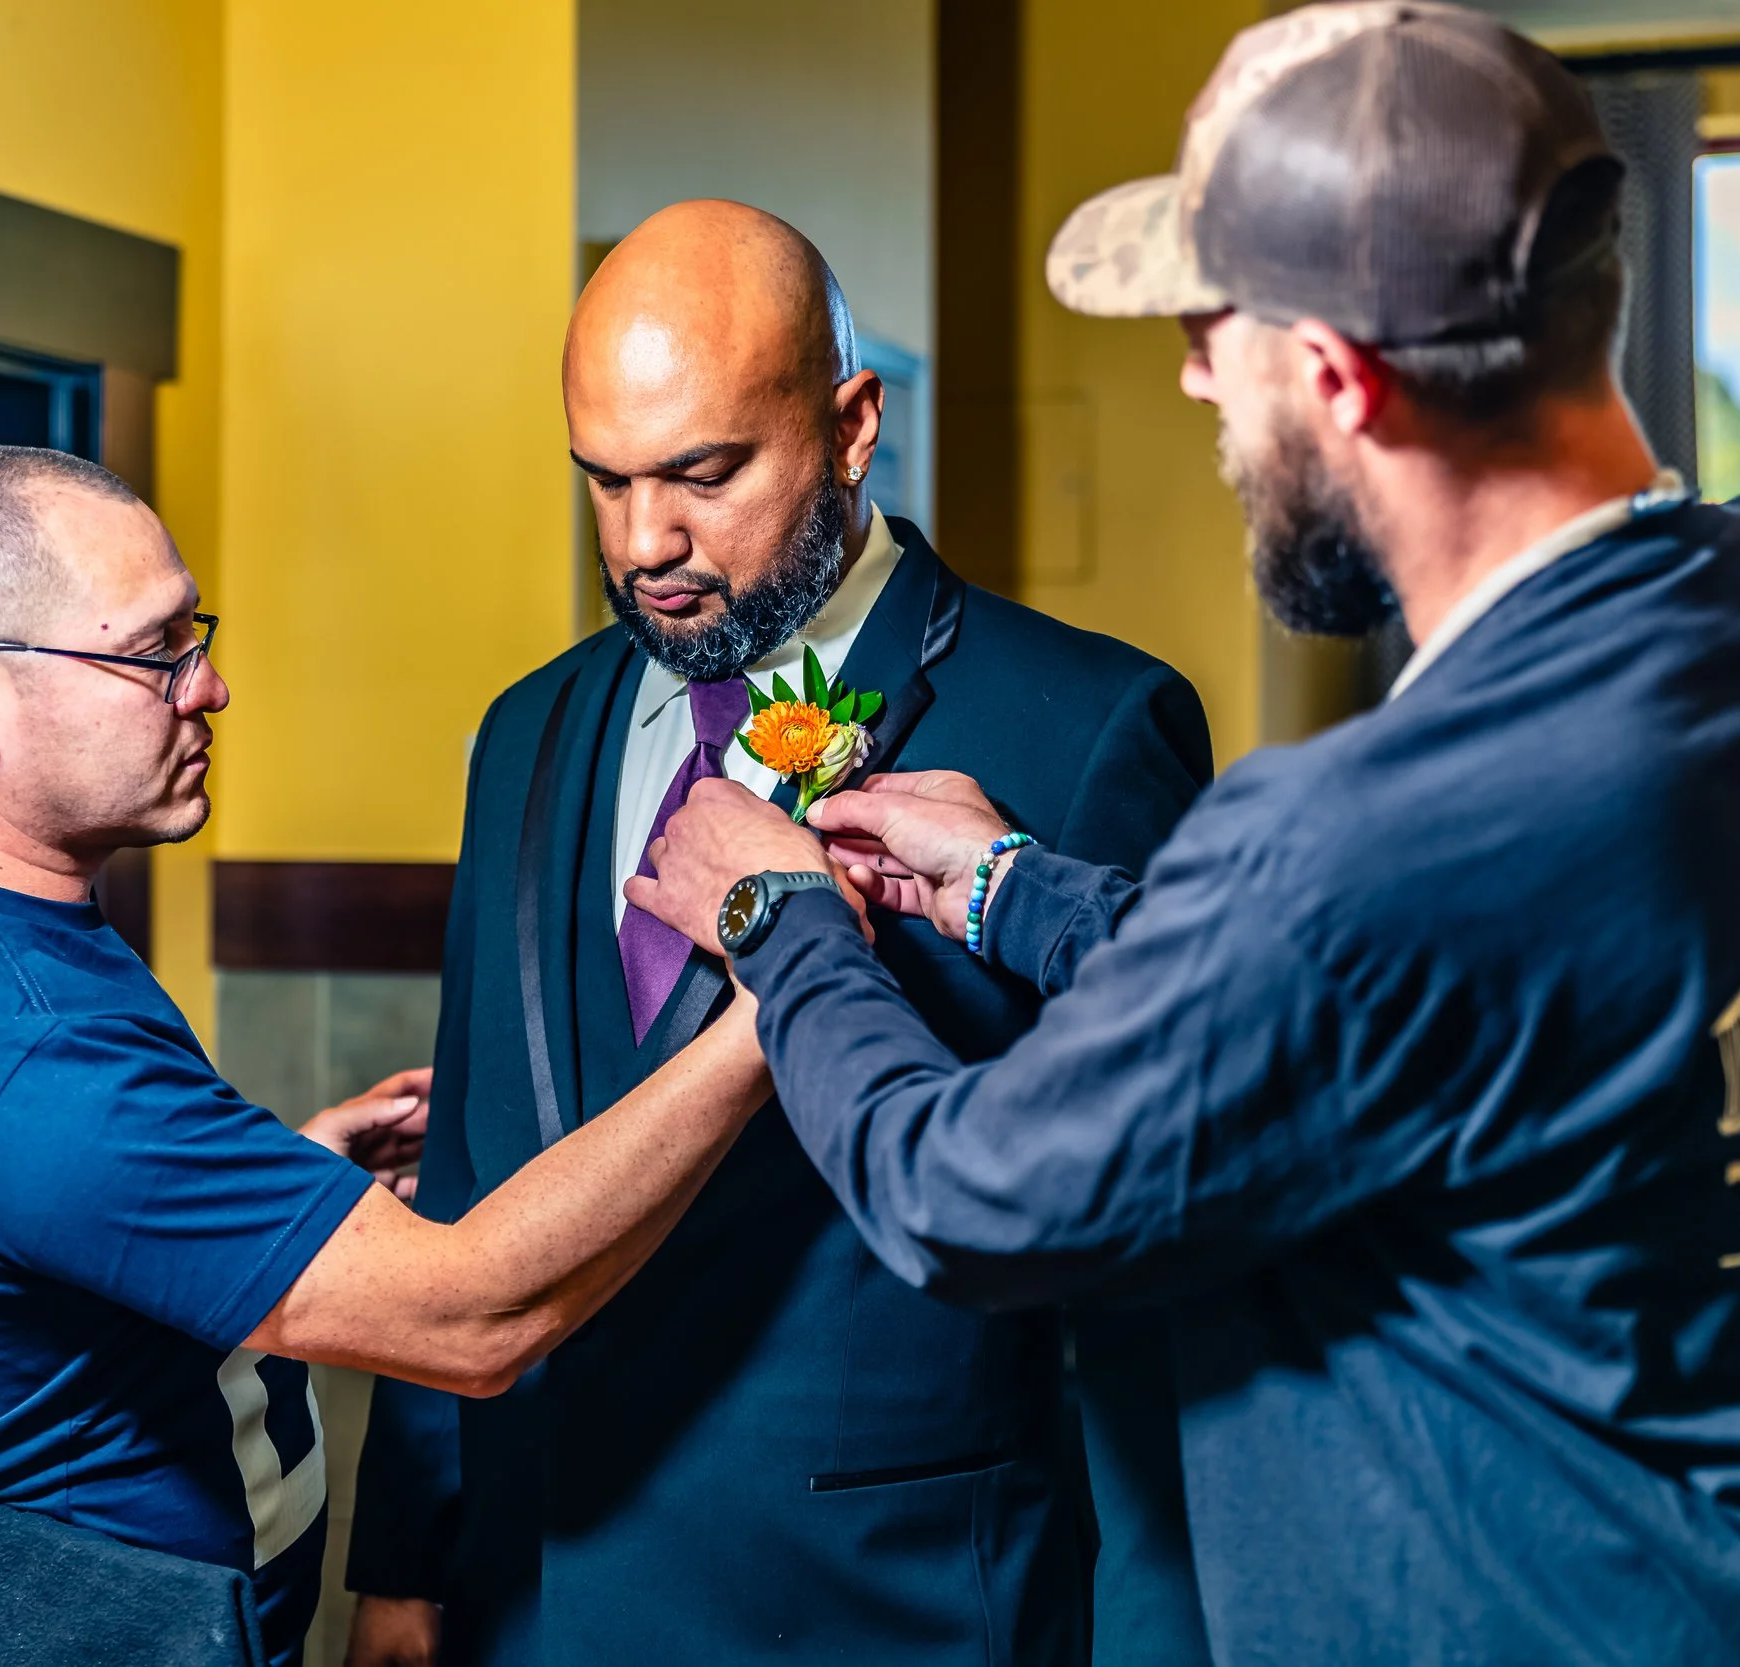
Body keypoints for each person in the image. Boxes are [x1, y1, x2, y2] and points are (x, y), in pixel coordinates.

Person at [630, 6, 1740, 1664]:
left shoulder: (1361, 836)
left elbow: (970, 1194)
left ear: (1342, 381)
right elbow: (1417, 985)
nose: (1197, 373)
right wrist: (1006, 887)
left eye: (1220, 330)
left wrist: (786, 927)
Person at [342, 200, 1211, 1667]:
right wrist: (408, 1566)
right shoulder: (527, 732)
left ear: (855, 424)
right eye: (603, 483)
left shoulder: (1085, 729)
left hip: (884, 1607)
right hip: (533, 1597)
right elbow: (476, 1168)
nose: (646, 544)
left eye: (704, 474)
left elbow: (1146, 1295)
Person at [0, 445, 774, 1667]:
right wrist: (777, 1003)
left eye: (197, 632)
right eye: (152, 651)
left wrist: (255, 1185)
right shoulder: (42, 1071)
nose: (210, 686)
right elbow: (476, 1318)